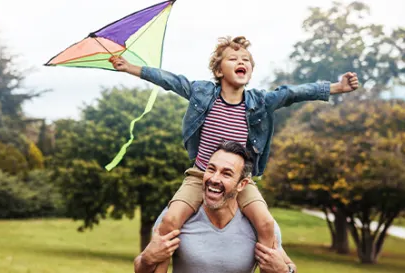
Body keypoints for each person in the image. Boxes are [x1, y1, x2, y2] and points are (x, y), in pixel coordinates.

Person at [109, 36, 359, 251]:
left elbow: (293, 93)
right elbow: (170, 80)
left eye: (246, 60)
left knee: (266, 225)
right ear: (219, 71)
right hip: (200, 175)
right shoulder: (203, 92)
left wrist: (337, 87)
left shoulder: (260, 101)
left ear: (250, 71)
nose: (242, 62)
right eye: (233, 59)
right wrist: (130, 67)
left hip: (241, 181)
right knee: (169, 221)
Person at [134, 141, 297, 273]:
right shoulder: (175, 218)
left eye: (226, 174)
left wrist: (285, 271)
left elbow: (289, 266)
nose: (214, 179)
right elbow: (141, 267)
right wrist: (147, 259)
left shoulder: (259, 225)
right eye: (211, 169)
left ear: (242, 184)